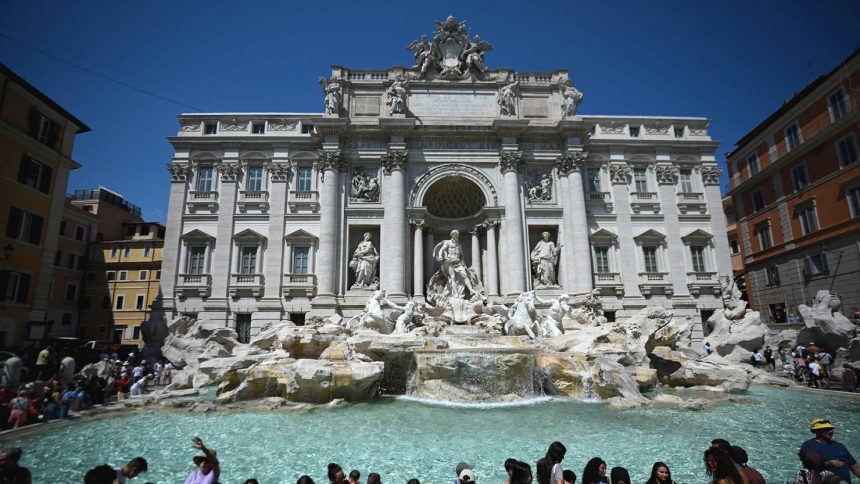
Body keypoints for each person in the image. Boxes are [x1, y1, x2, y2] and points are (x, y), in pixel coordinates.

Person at [801, 418, 860, 483]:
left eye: (831, 429)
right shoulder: (808, 445)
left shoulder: (839, 446)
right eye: (827, 429)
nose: (831, 431)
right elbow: (809, 465)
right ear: (816, 431)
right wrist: (827, 464)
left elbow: (854, 467)